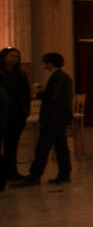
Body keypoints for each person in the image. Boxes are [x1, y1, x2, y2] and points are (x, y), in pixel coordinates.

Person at [18, 52, 73, 185]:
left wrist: (40, 93)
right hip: (59, 118)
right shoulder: (63, 77)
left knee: (43, 147)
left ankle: (35, 174)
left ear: (50, 63)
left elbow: (52, 97)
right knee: (60, 147)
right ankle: (64, 173)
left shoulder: (57, 78)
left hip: (52, 118)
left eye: (45, 62)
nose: (44, 65)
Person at [0, 47, 30, 181]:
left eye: (16, 56)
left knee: (12, 147)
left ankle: (11, 172)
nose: (14, 59)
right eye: (11, 56)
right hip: (2, 115)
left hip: (16, 115)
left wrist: (25, 111)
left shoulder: (21, 75)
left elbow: (25, 94)